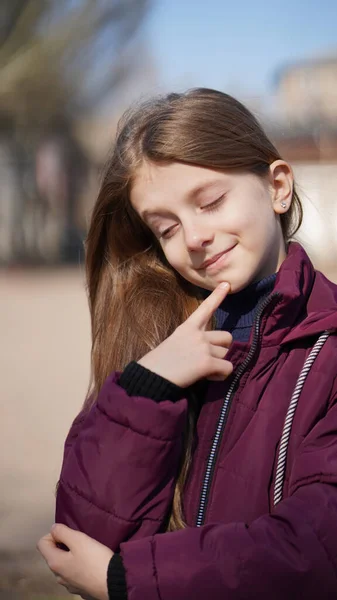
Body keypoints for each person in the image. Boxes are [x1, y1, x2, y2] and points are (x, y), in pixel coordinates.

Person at [37, 88, 337, 599]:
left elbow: (317, 549)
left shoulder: (326, 351)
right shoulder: (162, 348)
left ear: (278, 186)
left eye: (211, 201)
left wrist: (128, 581)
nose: (194, 236)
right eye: (167, 227)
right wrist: (150, 385)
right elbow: (80, 539)